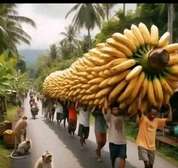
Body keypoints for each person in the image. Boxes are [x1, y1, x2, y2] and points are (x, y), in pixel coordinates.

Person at [136, 99, 172, 168]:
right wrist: (140, 97)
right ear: (148, 112)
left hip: (152, 147)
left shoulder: (157, 121)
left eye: (154, 114)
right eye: (151, 114)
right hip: (142, 145)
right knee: (146, 162)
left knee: (150, 165)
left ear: (156, 115)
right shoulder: (143, 119)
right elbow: (138, 109)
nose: (153, 116)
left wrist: (169, 107)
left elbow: (169, 120)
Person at [103, 102, 126, 168]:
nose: (116, 111)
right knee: (113, 158)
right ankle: (113, 166)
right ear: (111, 110)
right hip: (113, 142)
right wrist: (107, 100)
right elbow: (105, 109)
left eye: (117, 109)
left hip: (122, 142)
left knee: (123, 158)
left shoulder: (122, 117)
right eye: (114, 109)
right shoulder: (109, 117)